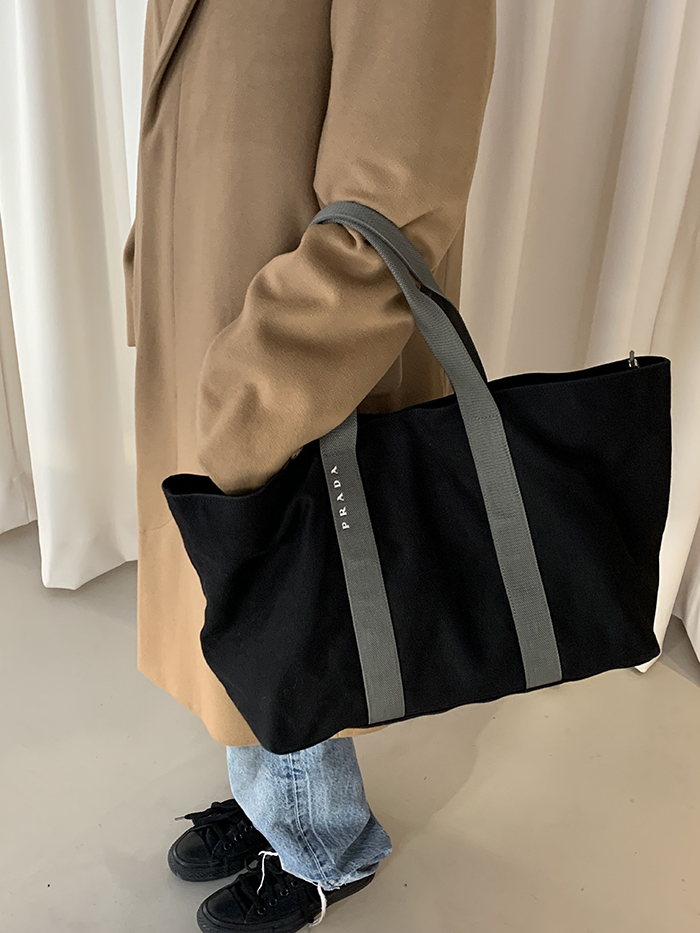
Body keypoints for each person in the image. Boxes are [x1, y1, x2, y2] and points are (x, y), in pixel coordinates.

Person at [122, 1, 496, 929]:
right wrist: (151, 271)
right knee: (237, 587)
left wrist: (262, 373)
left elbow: (402, 188)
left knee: (291, 588)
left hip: (293, 352)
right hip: (213, 320)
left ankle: (324, 839)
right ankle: (269, 797)